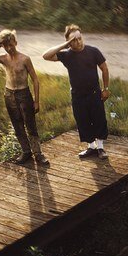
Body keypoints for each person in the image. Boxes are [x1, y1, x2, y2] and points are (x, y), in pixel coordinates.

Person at [0, 29, 49, 165]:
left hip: (24, 94)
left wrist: (36, 100)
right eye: (5, 45)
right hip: (9, 95)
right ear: (2, 46)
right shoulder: (2, 59)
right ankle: (26, 152)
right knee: (17, 125)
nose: (9, 48)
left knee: (31, 125)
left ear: (16, 42)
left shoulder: (25, 59)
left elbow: (35, 79)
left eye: (11, 44)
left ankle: (38, 154)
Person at [42, 24, 110, 159]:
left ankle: (101, 148)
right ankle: (91, 147)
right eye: (74, 40)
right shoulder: (67, 55)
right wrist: (65, 44)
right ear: (69, 42)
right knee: (82, 120)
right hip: (77, 95)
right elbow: (46, 56)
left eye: (79, 38)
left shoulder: (93, 51)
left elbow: (105, 69)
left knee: (99, 119)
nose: (78, 41)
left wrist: (105, 89)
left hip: (95, 93)